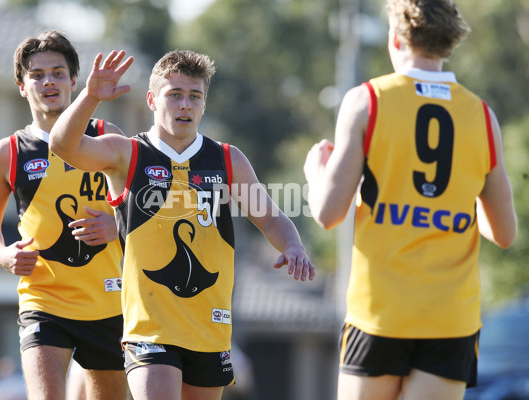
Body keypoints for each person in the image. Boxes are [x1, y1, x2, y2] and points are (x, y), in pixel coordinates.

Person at [49, 49, 316, 400]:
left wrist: (293, 245)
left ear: (205, 104)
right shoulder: (126, 153)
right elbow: (63, 146)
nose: (185, 105)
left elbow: (269, 217)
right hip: (150, 330)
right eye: (174, 95)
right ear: (152, 100)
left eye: (195, 96)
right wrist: (90, 96)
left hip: (210, 328)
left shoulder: (227, 159)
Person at [303, 1, 517, 399]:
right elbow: (504, 233)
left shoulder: (367, 100)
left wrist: (316, 171)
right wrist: (454, 199)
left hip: (380, 312)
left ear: (395, 38)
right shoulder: (482, 116)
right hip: (451, 318)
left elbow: (328, 213)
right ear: (448, 43)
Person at [0, 30, 128, 400]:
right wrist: (3, 254)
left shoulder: (107, 136)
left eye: (58, 72)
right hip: (44, 300)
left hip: (111, 304)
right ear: (23, 86)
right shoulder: (7, 152)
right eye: (37, 74)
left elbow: (150, 207)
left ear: (74, 81)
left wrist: (118, 224)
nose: (49, 82)